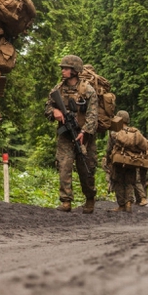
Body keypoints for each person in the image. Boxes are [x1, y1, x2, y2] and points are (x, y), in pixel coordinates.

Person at [44, 55, 98, 213]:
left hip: (84, 137)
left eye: (66, 68)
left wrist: (84, 131)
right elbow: (47, 107)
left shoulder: (88, 90)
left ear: (75, 70)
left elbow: (93, 116)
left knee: (86, 168)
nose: (63, 70)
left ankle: (90, 198)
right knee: (64, 165)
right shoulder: (58, 89)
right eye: (62, 68)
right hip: (65, 135)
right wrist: (54, 111)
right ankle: (66, 200)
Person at [106, 110, 147, 213]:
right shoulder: (134, 132)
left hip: (118, 161)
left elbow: (109, 149)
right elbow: (144, 146)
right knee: (129, 182)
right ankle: (128, 203)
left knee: (118, 181)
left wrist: (108, 161)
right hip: (132, 161)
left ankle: (121, 205)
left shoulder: (114, 132)